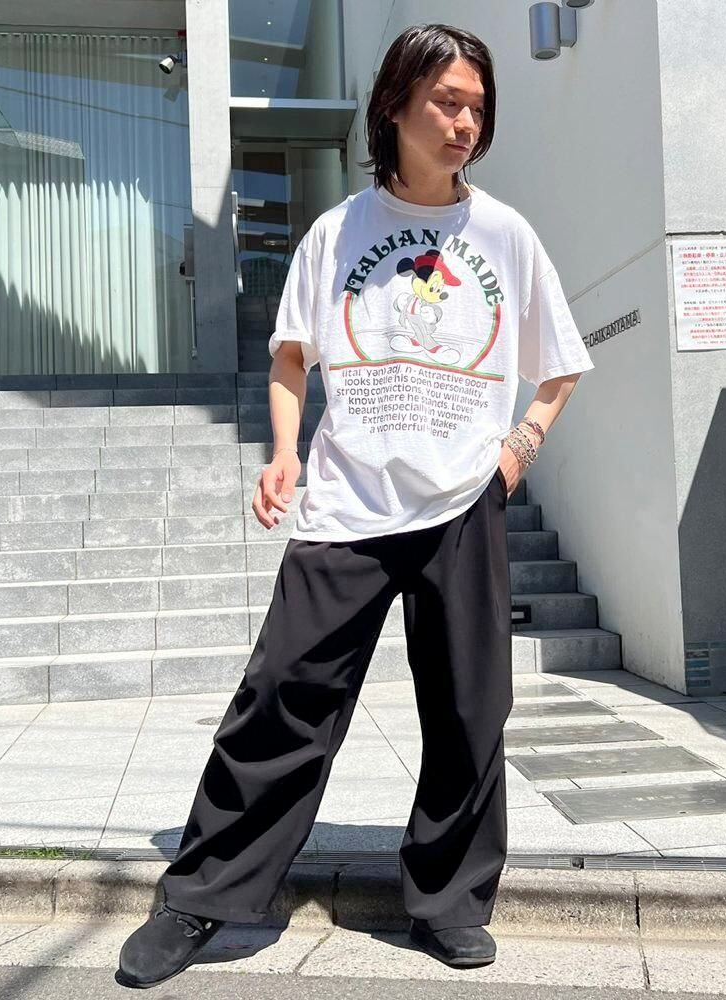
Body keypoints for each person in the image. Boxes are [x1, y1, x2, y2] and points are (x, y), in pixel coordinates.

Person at [116, 22, 593, 989]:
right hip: (348, 501)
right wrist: (283, 455)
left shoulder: (504, 234)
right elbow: (291, 358)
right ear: (395, 106)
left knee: (469, 710)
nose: (465, 123)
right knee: (281, 696)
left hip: (462, 501)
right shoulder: (338, 233)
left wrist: (518, 449)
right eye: (447, 102)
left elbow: (560, 367)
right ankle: (201, 896)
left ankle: (449, 903)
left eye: (477, 107)